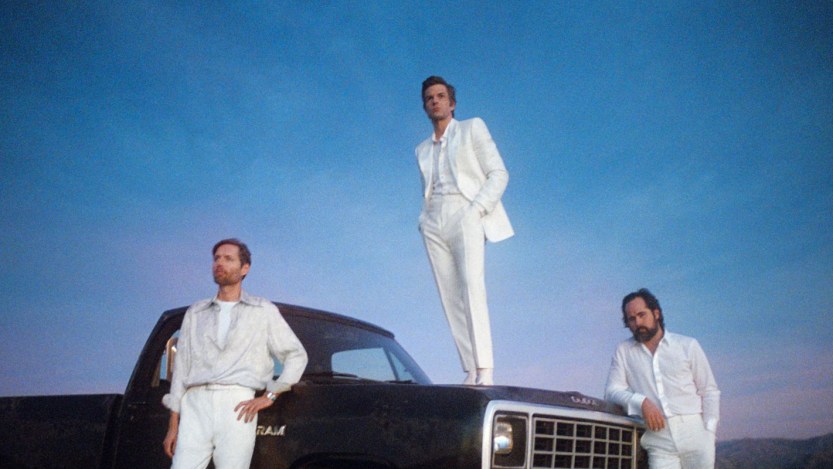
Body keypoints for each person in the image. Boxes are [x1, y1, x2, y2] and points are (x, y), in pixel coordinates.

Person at [162, 239, 308, 468]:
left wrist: (270, 396)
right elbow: (181, 369)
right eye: (216, 258)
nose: (219, 263)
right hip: (195, 403)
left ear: (244, 268)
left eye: (228, 259)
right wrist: (173, 425)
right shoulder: (196, 312)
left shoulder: (262, 310)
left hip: (238, 402)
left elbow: (296, 355)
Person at [415, 75, 513, 386]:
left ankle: (486, 369)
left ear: (452, 103)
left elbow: (499, 173)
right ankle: (470, 368)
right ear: (425, 107)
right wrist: (424, 219)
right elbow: (428, 188)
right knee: (449, 296)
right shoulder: (421, 150)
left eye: (440, 96)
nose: (435, 101)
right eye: (429, 98)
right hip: (434, 220)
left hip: (465, 211)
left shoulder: (472, 128)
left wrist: (476, 210)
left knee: (472, 286)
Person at [605, 288, 720, 469]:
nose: (638, 322)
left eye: (642, 315)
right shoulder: (624, 351)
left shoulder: (687, 345)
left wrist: (709, 433)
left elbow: (709, 391)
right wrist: (641, 402)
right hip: (658, 438)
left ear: (656, 313)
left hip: (695, 433)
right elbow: (612, 391)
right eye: (631, 319)